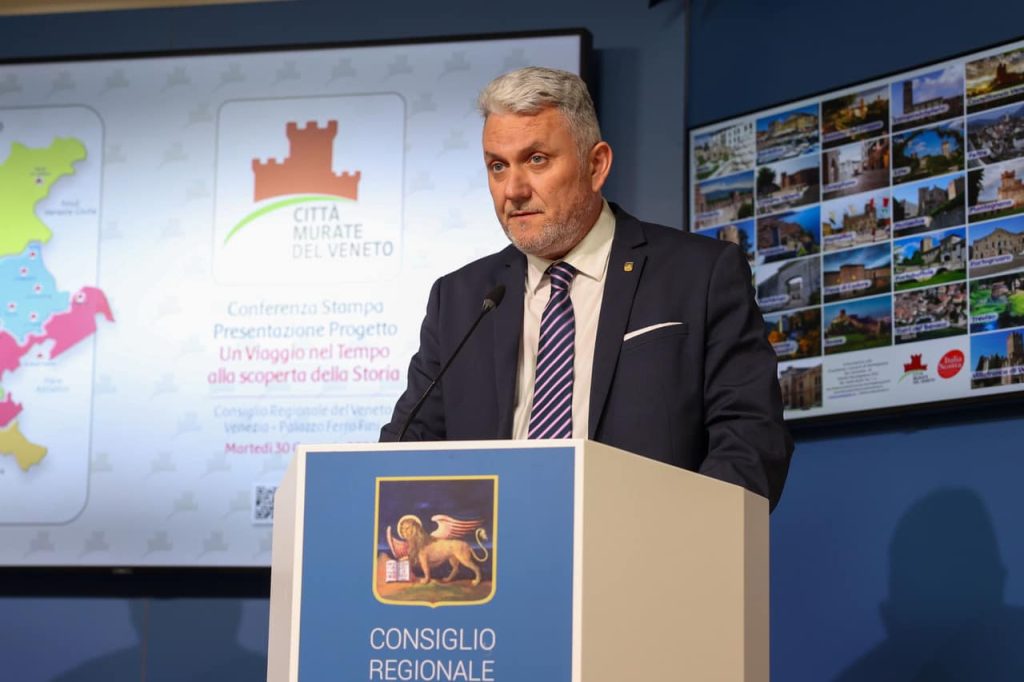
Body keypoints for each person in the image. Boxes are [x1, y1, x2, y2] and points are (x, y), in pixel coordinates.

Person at [380, 67, 792, 510]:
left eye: (537, 160)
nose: (513, 190)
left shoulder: (698, 275)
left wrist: (681, 535)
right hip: (494, 548)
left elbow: (750, 438)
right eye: (498, 166)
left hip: (647, 543)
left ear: (596, 166)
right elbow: (405, 449)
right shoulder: (460, 300)